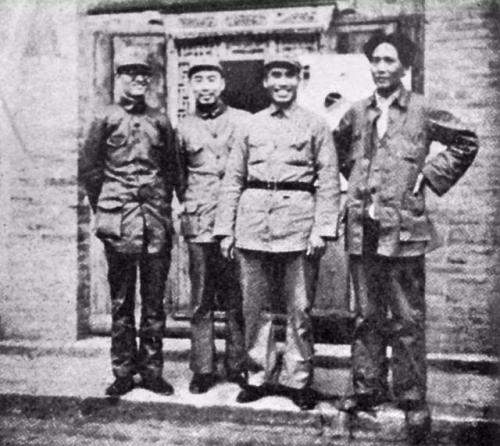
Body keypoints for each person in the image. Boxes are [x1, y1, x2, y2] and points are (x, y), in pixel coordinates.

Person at [334, 31, 478, 432]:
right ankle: (367, 388)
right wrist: (361, 184)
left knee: (407, 317)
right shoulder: (357, 112)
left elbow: (466, 140)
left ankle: (412, 397)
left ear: (404, 67)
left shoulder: (421, 109)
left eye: (389, 61)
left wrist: (427, 175)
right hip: (363, 229)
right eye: (376, 60)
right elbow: (339, 151)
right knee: (366, 315)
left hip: (404, 231)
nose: (381, 68)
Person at [214, 56, 340, 410]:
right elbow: (233, 179)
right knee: (255, 308)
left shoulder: (316, 125)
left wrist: (322, 229)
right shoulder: (249, 125)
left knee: (299, 309)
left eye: (289, 75)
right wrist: (226, 230)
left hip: (299, 226)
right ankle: (258, 376)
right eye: (275, 75)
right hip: (252, 225)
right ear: (265, 82)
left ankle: (297, 379)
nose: (282, 82)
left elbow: (329, 180)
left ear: (298, 81)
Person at [80, 46, 179, 397]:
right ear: (118, 77)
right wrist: (108, 207)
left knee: (154, 303)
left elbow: (171, 170)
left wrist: (162, 207)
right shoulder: (104, 118)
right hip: (119, 225)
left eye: (143, 73)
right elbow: (90, 170)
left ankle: (151, 371)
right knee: (121, 302)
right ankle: (123, 371)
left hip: (154, 224)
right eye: (130, 72)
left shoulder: (160, 121)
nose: (138, 78)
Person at [176, 58, 249, 394]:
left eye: (211, 79)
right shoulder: (183, 128)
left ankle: (238, 364)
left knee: (238, 297)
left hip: (237, 223)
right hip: (200, 221)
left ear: (222, 84)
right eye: (199, 80)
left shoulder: (244, 121)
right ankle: (203, 368)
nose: (205, 86)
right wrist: (193, 204)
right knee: (201, 298)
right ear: (191, 86)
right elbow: (178, 176)